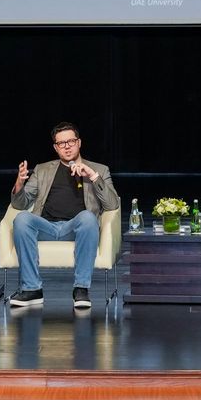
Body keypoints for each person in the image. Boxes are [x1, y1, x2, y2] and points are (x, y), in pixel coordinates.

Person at [9, 122, 119, 309]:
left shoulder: (99, 170)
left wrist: (92, 176)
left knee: (87, 217)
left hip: (77, 228)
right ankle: (32, 289)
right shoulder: (42, 170)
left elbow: (112, 204)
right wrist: (19, 182)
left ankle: (81, 289)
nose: (67, 146)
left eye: (71, 141)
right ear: (55, 147)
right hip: (46, 227)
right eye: (61, 143)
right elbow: (20, 204)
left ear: (79, 143)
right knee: (22, 218)